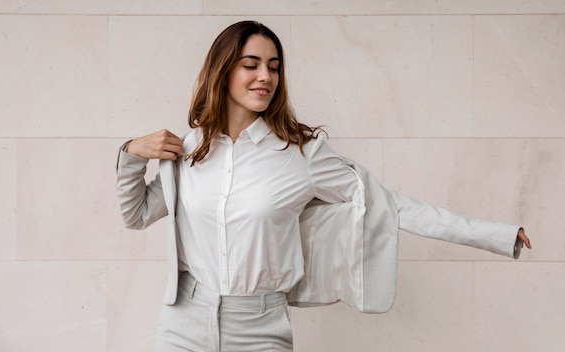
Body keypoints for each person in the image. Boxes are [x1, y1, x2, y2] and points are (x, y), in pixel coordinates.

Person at [116, 20, 531, 352]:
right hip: (183, 320)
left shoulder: (301, 154)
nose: (266, 76)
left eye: (274, 66)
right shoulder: (189, 149)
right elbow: (135, 215)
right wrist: (131, 153)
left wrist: (494, 235)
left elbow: (388, 204)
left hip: (260, 327)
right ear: (222, 70)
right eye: (251, 64)